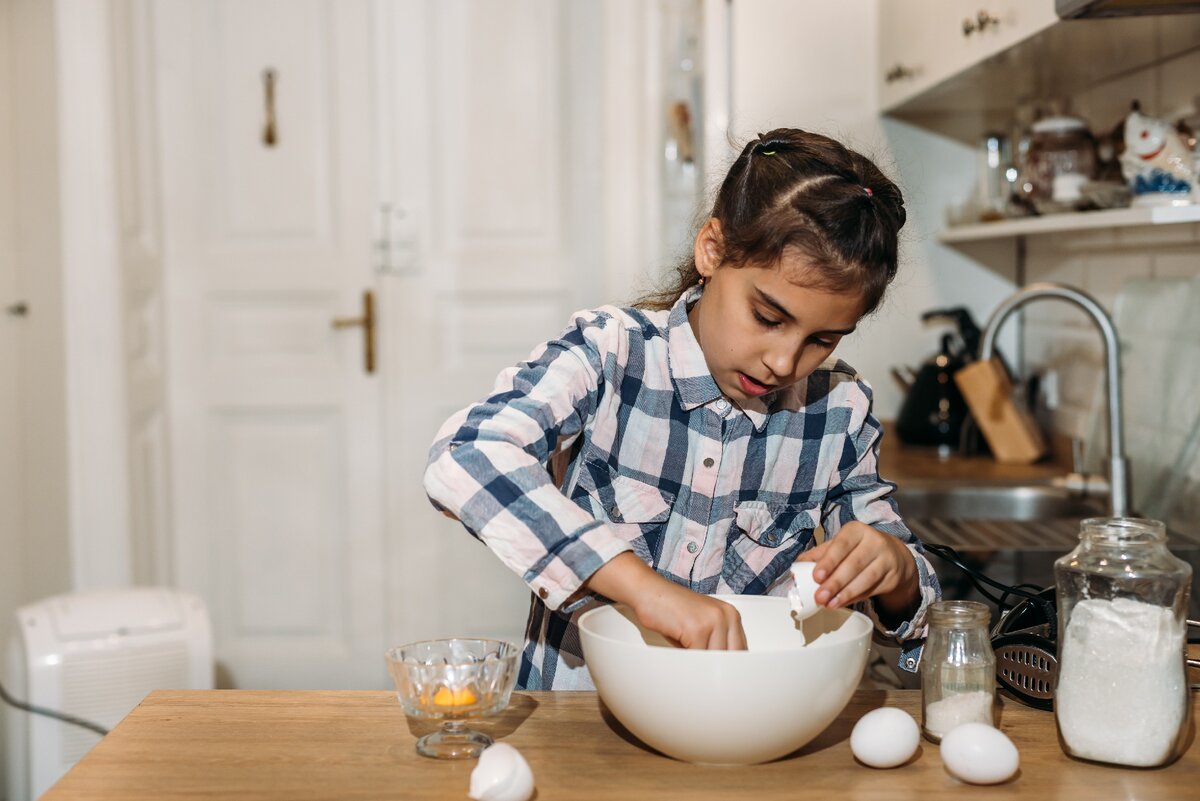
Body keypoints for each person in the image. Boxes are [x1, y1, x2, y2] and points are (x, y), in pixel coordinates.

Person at [424, 128, 941, 690]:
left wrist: (895, 570)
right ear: (712, 250)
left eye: (823, 340)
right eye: (768, 318)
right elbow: (465, 455)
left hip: (740, 726)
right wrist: (647, 592)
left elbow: (915, 618)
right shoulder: (611, 354)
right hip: (576, 724)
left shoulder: (838, 410)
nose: (785, 361)